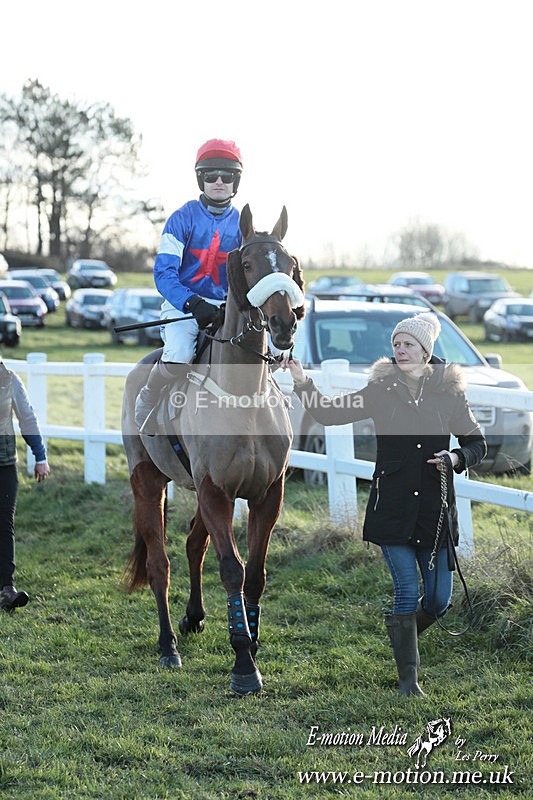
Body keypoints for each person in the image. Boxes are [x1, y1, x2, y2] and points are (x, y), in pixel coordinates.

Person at [282, 312, 486, 697]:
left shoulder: (449, 391)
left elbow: (478, 444)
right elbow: (329, 412)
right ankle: (409, 680)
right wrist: (300, 380)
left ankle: (401, 632)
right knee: (407, 590)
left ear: (426, 350)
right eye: (397, 344)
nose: (400, 350)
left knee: (439, 601)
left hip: (435, 510)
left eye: (408, 344)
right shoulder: (380, 389)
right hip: (391, 505)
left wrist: (456, 459)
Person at [135, 138, 244, 428]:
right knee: (181, 354)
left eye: (227, 176)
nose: (219, 181)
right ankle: (149, 394)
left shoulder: (244, 224)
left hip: (226, 310)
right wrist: (192, 302)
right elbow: (163, 274)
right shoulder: (180, 219)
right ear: (201, 179)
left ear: (236, 181)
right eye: (211, 175)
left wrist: (232, 306)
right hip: (183, 308)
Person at [0, 355, 50, 612]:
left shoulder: (9, 380)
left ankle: (7, 589)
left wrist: (40, 456)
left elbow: (27, 419)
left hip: (4, 464)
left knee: (4, 523)